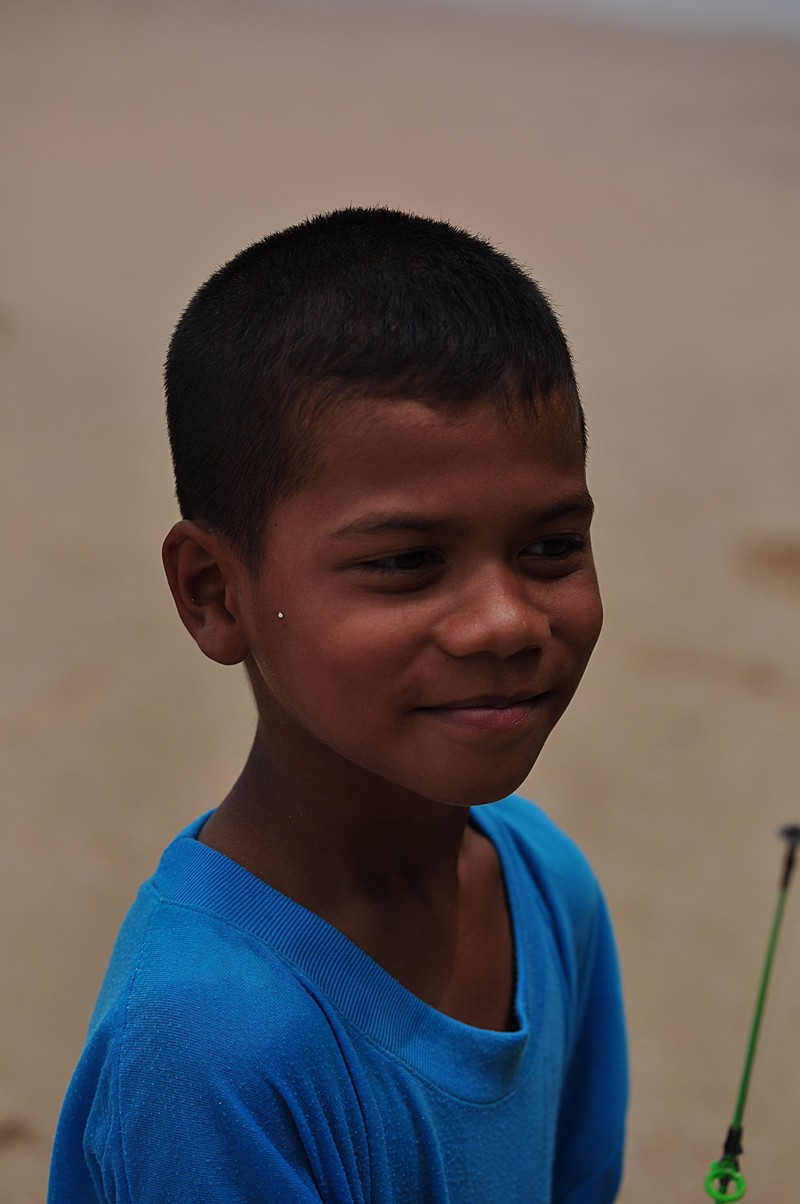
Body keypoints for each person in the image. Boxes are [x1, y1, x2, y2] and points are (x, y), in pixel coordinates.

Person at [49, 207, 627, 1203]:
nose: (505, 622)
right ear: (215, 594)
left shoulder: (544, 886)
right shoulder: (207, 1050)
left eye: (549, 547)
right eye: (406, 562)